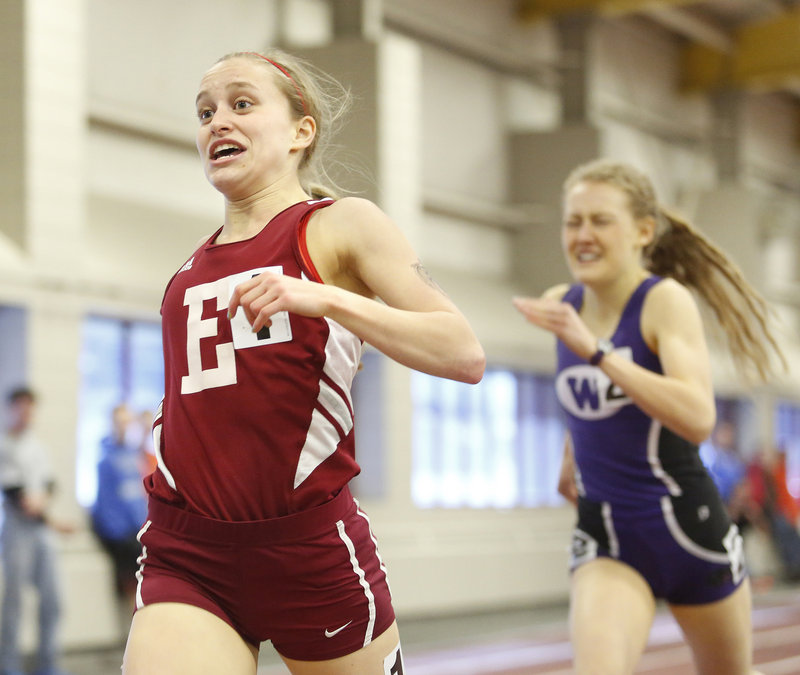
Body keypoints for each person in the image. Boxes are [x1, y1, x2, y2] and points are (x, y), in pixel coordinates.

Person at [121, 49, 485, 675]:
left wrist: (328, 298)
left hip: (307, 552)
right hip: (189, 550)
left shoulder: (340, 225)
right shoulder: (188, 272)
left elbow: (463, 352)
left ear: (301, 130)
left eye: (241, 104)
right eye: (205, 112)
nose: (217, 122)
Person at [513, 159, 785, 675]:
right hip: (608, 537)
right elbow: (585, 399)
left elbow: (698, 416)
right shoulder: (561, 304)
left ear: (642, 231)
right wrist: (570, 459)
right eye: (573, 222)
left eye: (600, 221)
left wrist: (595, 349)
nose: (583, 236)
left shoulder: (663, 302)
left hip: (689, 531)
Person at [0, 387, 73, 675]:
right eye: (20, 407)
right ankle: (9, 664)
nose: (26, 412)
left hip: (41, 532)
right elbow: (19, 496)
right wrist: (54, 521)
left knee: (53, 599)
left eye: (30, 407)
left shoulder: (38, 446)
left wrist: (44, 503)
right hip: (18, 531)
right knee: (15, 601)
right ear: (11, 409)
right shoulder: (4, 446)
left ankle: (48, 663)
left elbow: (49, 484)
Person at [90, 404, 148, 633]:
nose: (124, 427)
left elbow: (138, 495)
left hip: (139, 530)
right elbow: (106, 505)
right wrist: (122, 534)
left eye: (127, 422)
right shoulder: (105, 461)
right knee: (128, 587)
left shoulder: (135, 456)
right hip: (123, 537)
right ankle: (130, 636)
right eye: (119, 422)